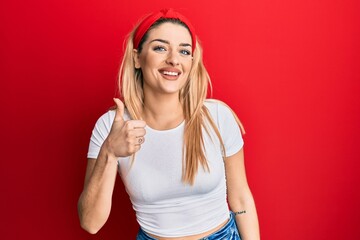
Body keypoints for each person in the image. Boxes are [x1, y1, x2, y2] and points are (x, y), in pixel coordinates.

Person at [78, 8, 260, 240]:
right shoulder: (111, 126)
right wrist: (109, 152)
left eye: (184, 51)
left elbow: (241, 198)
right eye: (160, 48)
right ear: (137, 57)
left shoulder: (217, 117)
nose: (174, 59)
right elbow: (90, 223)